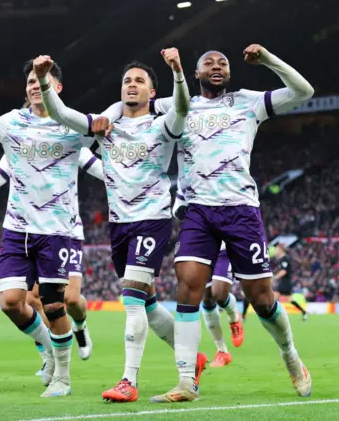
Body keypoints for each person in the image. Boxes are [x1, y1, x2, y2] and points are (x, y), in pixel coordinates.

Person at [97, 44, 314, 401]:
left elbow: (303, 92)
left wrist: (270, 60)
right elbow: (129, 105)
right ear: (195, 74)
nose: (216, 66)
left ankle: (290, 355)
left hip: (241, 209)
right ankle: (186, 381)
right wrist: (104, 118)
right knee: (188, 285)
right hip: (197, 210)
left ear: (229, 73)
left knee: (261, 299)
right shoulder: (175, 104)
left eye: (223, 62)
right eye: (208, 63)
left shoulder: (249, 101)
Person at [38, 49, 207, 403]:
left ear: (151, 93)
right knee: (145, 303)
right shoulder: (105, 127)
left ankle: (128, 381)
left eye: (139, 81)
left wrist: (177, 71)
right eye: (127, 80)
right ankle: (191, 356)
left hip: (151, 219)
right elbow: (60, 113)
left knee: (130, 299)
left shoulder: (163, 125)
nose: (132, 85)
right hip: (120, 224)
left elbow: (183, 109)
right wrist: (42, 79)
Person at [0, 58, 96, 397]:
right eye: (29, 83)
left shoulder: (72, 125)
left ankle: (63, 379)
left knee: (56, 304)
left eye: (40, 80)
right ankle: (51, 350)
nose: (33, 87)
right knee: (11, 302)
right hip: (17, 229)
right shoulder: (12, 122)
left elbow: (105, 158)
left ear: (57, 87)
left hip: (58, 230)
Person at [0, 146, 102, 362]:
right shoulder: (16, 145)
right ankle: (49, 356)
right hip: (27, 234)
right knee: (33, 300)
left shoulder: (68, 139)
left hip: (64, 231)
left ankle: (79, 325)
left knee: (69, 298)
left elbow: (103, 171)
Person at [175, 189, 244, 368]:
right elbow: (177, 208)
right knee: (206, 298)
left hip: (224, 244)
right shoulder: (189, 177)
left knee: (219, 294)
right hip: (201, 244)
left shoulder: (224, 175)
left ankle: (233, 315)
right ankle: (222, 351)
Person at [273, 244, 308, 320]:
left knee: (275, 297)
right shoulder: (281, 259)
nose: (275, 251)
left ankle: (276, 315)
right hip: (284, 282)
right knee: (288, 300)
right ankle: (304, 312)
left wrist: (275, 277)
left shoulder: (284, 259)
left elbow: (284, 271)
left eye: (276, 249)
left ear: (280, 250)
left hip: (285, 282)